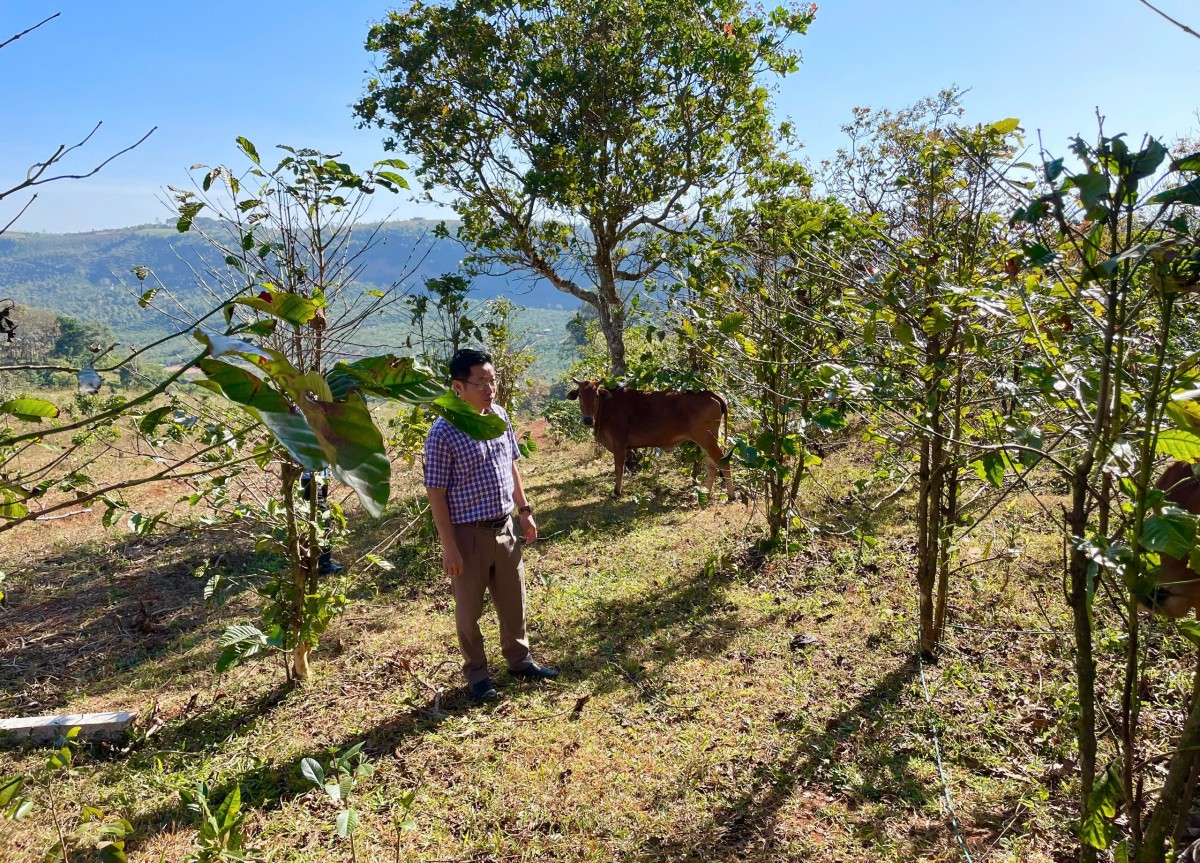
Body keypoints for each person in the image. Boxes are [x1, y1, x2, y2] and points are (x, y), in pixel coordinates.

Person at [424, 348, 558, 703]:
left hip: (505, 527)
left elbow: (511, 466)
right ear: (458, 387)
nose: (489, 388)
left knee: (515, 600)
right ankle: (478, 675)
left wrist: (525, 510)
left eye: (492, 380)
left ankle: (520, 660)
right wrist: (449, 546)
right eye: (480, 381)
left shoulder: (499, 416)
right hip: (467, 534)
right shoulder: (443, 432)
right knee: (469, 610)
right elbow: (435, 494)